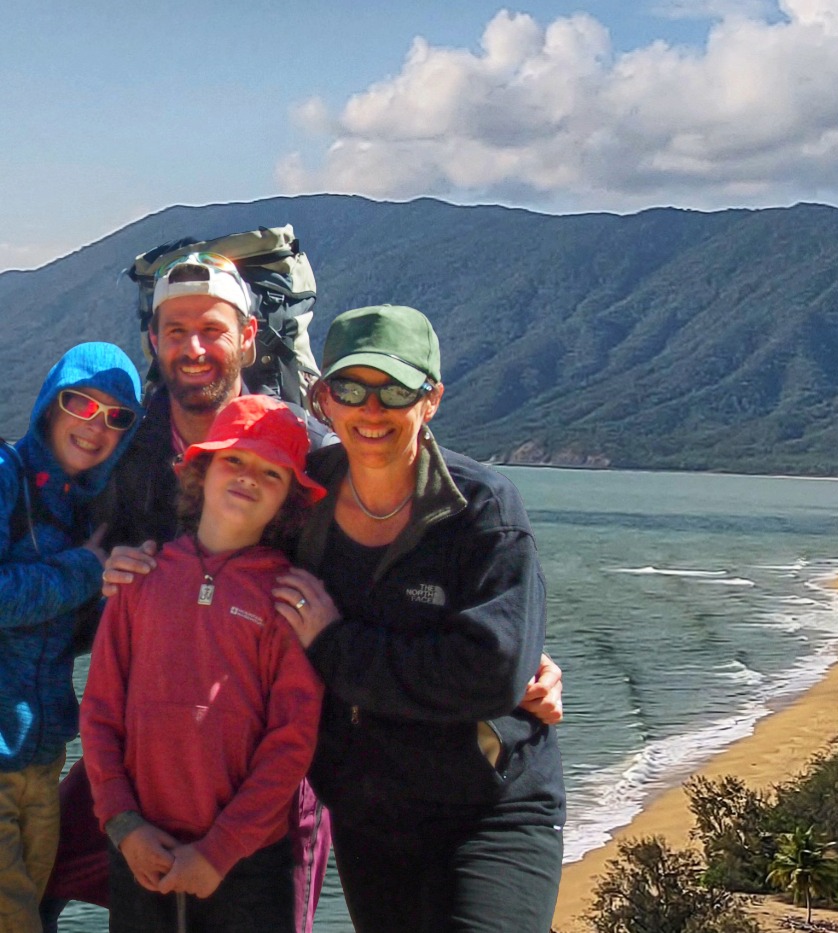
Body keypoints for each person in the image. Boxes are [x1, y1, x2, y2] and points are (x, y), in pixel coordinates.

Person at [65, 253, 563, 930]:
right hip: (207, 786)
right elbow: (67, 575)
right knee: (36, 864)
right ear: (151, 340)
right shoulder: (127, 447)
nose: (193, 347)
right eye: (174, 330)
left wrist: (521, 662)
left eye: (212, 329)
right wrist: (99, 580)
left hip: (288, 803)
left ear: (247, 336)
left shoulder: (315, 458)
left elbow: (462, 609)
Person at [275, 305, 565, 932]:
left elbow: (486, 675)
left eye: (395, 390)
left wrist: (331, 643)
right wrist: (134, 569)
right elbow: (225, 564)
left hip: (490, 806)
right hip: (371, 816)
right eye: (350, 388)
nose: (370, 410)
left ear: (431, 400)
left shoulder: (481, 507)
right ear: (323, 398)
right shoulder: (302, 501)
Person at [81, 395, 327, 933]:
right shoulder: (140, 578)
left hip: (248, 862)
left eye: (272, 473)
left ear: (288, 501)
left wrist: (221, 850)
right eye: (233, 460)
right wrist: (122, 823)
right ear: (201, 469)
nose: (248, 478)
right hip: (139, 847)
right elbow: (99, 713)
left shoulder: (286, 600)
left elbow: (291, 744)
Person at [1, 342, 143, 933]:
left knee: (32, 910)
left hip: (43, 759)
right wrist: (85, 571)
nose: (95, 425)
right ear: (49, 404)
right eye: (80, 402)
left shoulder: (86, 511)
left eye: (117, 417)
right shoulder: (7, 476)